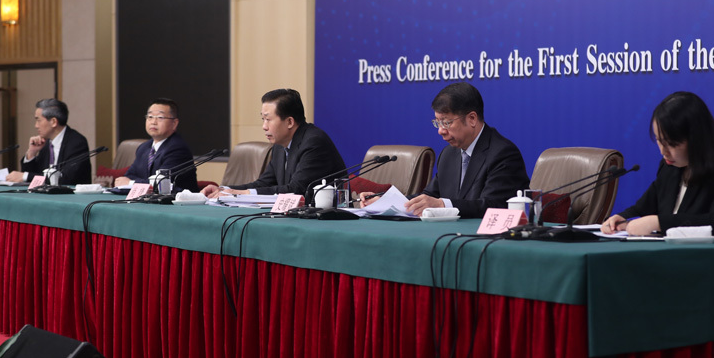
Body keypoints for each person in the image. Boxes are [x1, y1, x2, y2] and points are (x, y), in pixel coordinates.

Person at [361, 81, 529, 218]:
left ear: (472, 119)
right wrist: (385, 202)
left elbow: (494, 205)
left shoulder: (503, 154)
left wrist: (443, 205)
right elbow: (428, 197)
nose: (440, 131)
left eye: (447, 122)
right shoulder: (449, 154)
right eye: (438, 122)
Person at [600, 91, 714, 238]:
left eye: (671, 144)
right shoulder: (669, 167)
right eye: (659, 141)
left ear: (697, 139)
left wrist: (658, 223)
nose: (663, 151)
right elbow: (643, 207)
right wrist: (621, 218)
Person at [201, 89, 345, 197]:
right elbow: (264, 183)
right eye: (262, 119)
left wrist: (242, 193)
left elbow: (296, 190)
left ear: (289, 122)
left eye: (268, 119)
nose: (264, 126)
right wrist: (225, 190)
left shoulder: (314, 142)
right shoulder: (279, 146)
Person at [114, 99, 199, 192]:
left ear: (174, 123)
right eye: (150, 117)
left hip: (177, 200)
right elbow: (130, 175)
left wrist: (131, 183)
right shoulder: (143, 148)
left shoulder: (178, 149)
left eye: (160, 117)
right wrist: (129, 181)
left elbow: (162, 184)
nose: (153, 122)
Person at [7, 98, 91, 185]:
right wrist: (32, 153)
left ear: (53, 122)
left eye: (38, 120)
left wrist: (25, 176)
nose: (36, 126)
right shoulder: (46, 143)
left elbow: (65, 179)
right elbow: (33, 178)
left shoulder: (77, 143)